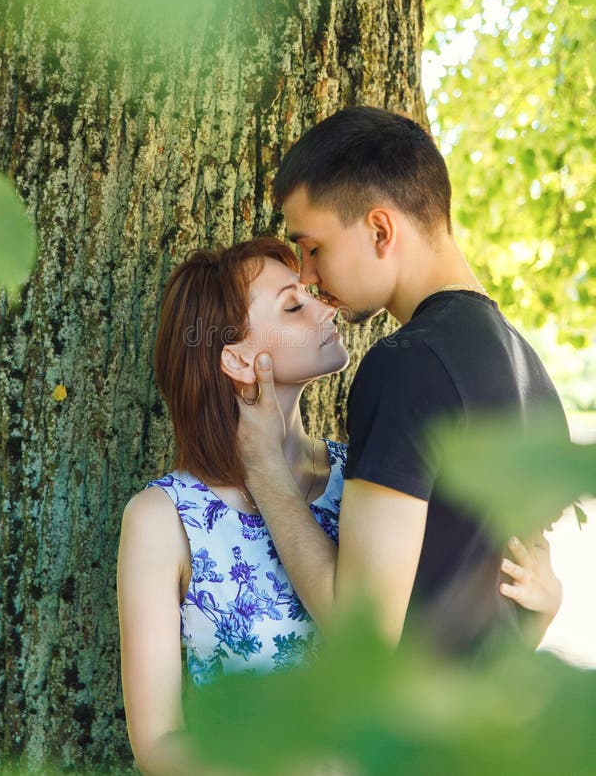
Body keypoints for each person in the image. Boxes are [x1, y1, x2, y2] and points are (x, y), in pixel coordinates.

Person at [117, 236, 560, 775]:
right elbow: (158, 743)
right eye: (293, 305)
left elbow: (438, 662)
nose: (327, 305)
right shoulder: (163, 519)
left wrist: (533, 616)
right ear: (235, 357)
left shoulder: (373, 478)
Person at [235, 106, 568, 656]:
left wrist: (265, 469)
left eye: (313, 248)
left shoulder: (408, 364)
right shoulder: (532, 371)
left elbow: (363, 634)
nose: (307, 275)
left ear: (380, 229)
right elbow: (521, 617)